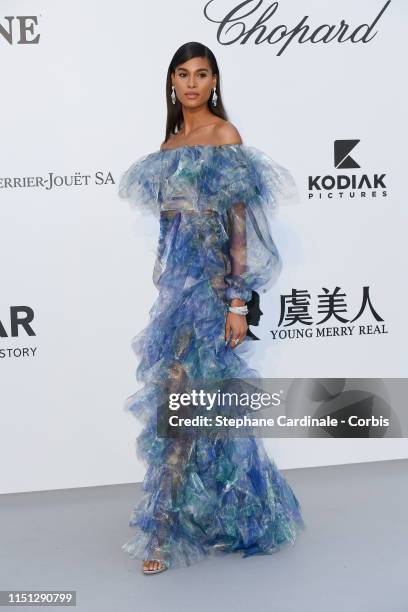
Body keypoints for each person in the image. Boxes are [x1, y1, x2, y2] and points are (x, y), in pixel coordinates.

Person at [118, 41, 305, 575]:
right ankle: (177, 522)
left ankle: (165, 531)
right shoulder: (168, 143)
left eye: (202, 74)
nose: (193, 83)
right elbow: (168, 234)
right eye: (183, 74)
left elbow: (238, 230)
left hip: (215, 294)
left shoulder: (226, 137)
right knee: (182, 406)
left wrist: (237, 303)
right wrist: (168, 294)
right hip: (178, 300)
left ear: (214, 82)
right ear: (172, 84)